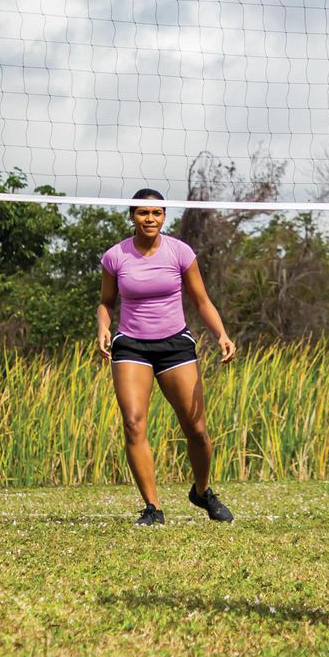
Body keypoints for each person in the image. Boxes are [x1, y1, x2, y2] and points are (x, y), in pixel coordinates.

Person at [98, 188, 238, 526]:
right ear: (132, 216)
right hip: (131, 345)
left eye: (156, 213)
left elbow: (201, 300)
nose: (150, 219)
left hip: (175, 344)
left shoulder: (180, 252)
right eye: (143, 213)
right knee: (133, 424)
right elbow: (106, 302)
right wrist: (103, 328)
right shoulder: (116, 256)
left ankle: (202, 492)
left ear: (164, 216)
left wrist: (221, 334)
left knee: (197, 428)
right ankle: (152, 508)